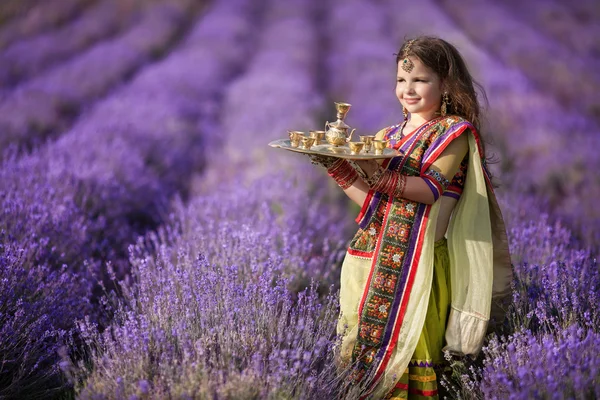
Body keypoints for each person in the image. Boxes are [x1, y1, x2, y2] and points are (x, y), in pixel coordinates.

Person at [309, 36, 513, 399]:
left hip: (418, 268)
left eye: (420, 79)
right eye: (402, 80)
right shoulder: (387, 136)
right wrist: (338, 169)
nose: (408, 89)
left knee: (412, 358)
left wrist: (378, 173)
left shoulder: (454, 134)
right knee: (360, 359)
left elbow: (431, 188)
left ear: (446, 84)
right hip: (367, 262)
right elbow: (373, 204)